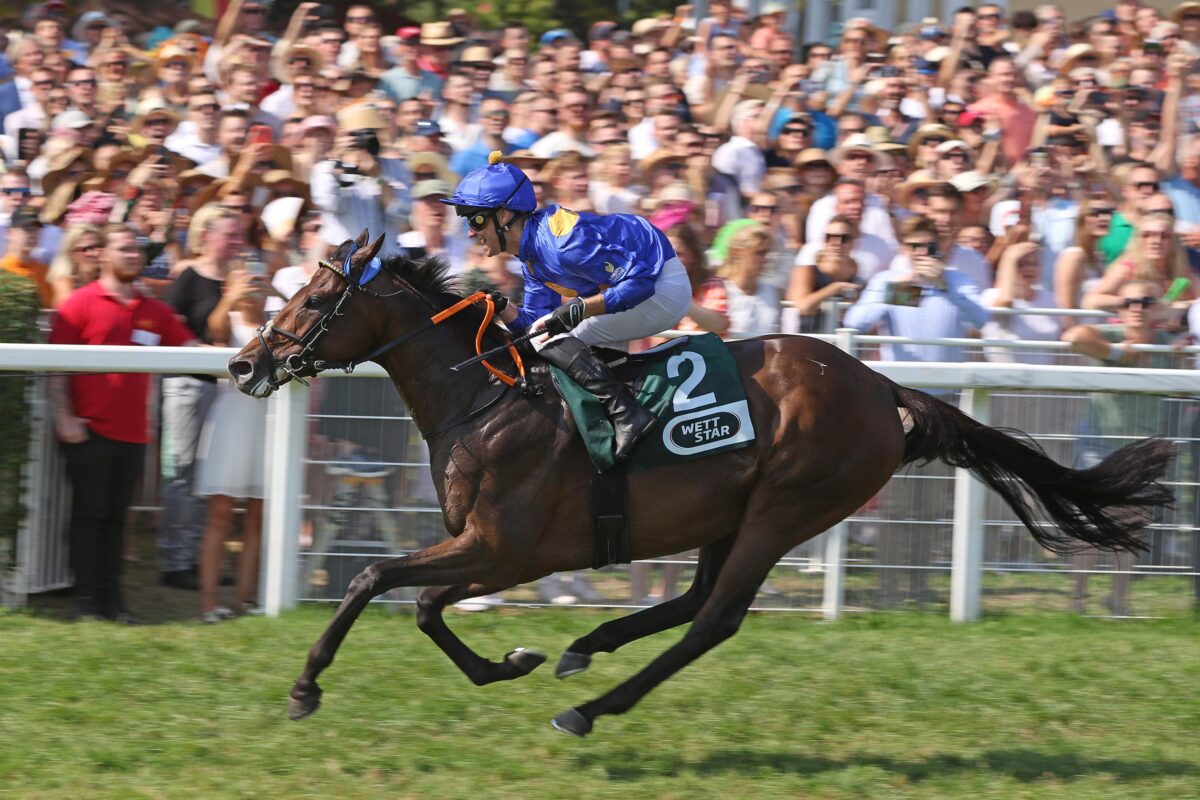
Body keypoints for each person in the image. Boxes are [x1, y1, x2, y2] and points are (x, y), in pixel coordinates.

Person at [442, 152, 690, 463]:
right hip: (635, 285)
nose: (470, 231)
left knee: (553, 338)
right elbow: (532, 325)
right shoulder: (531, 257)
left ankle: (628, 414)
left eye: (476, 219)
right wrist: (502, 307)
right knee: (544, 336)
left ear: (504, 215)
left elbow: (640, 282)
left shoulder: (562, 245)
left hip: (663, 285)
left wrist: (580, 310)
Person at [48, 223, 196, 621]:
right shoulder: (77, 304)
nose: (133, 255)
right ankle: (87, 604)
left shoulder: (154, 311)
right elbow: (54, 368)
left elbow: (193, 350)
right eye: (125, 249)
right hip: (87, 430)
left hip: (133, 434)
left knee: (115, 522)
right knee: (89, 517)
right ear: (103, 254)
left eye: (138, 250)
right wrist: (63, 415)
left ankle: (112, 604)